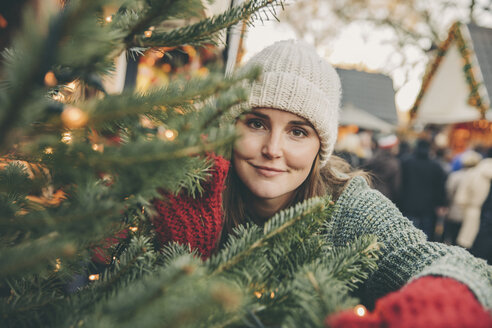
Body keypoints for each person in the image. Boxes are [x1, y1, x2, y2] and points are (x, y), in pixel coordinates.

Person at [152, 40, 492, 327]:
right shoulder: (197, 193)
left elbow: (452, 264)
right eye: (256, 123)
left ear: (321, 148)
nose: (273, 149)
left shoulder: (349, 211)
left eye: (298, 131)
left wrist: (434, 307)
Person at [397, 138, 447, 240]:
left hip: (408, 205)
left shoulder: (406, 163)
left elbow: (400, 184)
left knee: (408, 235)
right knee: (425, 236)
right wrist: (441, 203)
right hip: (428, 207)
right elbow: (440, 188)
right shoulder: (436, 166)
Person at [362, 134, 401, 203]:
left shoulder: (371, 159)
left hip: (370, 194)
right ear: (391, 148)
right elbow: (395, 186)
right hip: (386, 197)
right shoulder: (393, 163)